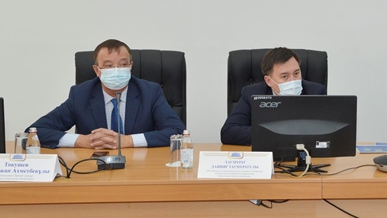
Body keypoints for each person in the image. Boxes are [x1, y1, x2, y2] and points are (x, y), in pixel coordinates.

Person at [28, 39, 185, 149]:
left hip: (141, 168)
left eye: (123, 64)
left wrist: (129, 141)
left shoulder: (150, 92)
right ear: (97, 70)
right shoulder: (81, 95)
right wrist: (81, 140)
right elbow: (34, 132)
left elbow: (178, 132)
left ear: (130, 67)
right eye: (109, 66)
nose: (116, 70)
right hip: (94, 168)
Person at [220, 47, 327, 145]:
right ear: (268, 81)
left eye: (296, 73)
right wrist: (277, 133)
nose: (293, 81)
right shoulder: (252, 94)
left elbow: (326, 132)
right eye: (284, 76)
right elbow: (228, 133)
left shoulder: (316, 92)